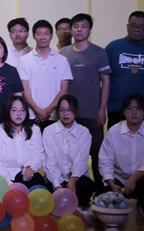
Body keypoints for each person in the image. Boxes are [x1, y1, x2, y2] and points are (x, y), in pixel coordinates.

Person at [59, 13, 111, 192]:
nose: (79, 30)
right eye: (76, 26)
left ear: (90, 29)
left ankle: (100, 191)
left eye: (83, 26)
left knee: (97, 154)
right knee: (68, 154)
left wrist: (102, 109)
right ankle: (70, 190)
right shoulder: (64, 53)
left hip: (92, 112)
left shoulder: (99, 52)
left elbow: (106, 82)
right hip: (68, 114)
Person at [99, 93, 144, 226]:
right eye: (130, 108)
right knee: (102, 192)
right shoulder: (114, 131)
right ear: (124, 112)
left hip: (140, 179)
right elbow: (105, 160)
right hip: (118, 180)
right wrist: (111, 183)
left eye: (139, 109)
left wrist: (133, 179)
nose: (134, 112)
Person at [105, 11, 144, 127]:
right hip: (117, 108)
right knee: (116, 138)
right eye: (133, 25)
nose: (137, 29)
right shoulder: (112, 47)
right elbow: (104, 76)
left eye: (142, 27)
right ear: (127, 27)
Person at [17, 20, 72, 130]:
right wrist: (38, 111)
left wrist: (47, 111)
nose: (43, 37)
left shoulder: (62, 60)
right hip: (31, 115)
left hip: (55, 116)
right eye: (39, 34)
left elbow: (64, 89)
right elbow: (24, 89)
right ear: (33, 36)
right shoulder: (24, 60)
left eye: (46, 34)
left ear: (51, 36)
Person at [42, 95, 94, 212]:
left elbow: (81, 160)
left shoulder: (84, 132)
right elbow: (50, 161)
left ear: (76, 111)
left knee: (87, 185)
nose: (65, 114)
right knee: (44, 190)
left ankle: (80, 207)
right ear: (58, 112)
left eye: (69, 110)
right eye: (62, 110)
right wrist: (57, 186)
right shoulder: (49, 131)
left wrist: (73, 180)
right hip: (55, 179)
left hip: (76, 179)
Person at [0, 97, 49, 189]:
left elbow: (39, 154)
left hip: (25, 174)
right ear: (8, 112)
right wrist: (9, 184)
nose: (19, 113)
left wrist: (30, 167)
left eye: (22, 110)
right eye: (14, 110)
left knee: (38, 184)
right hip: (2, 177)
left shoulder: (34, 130)